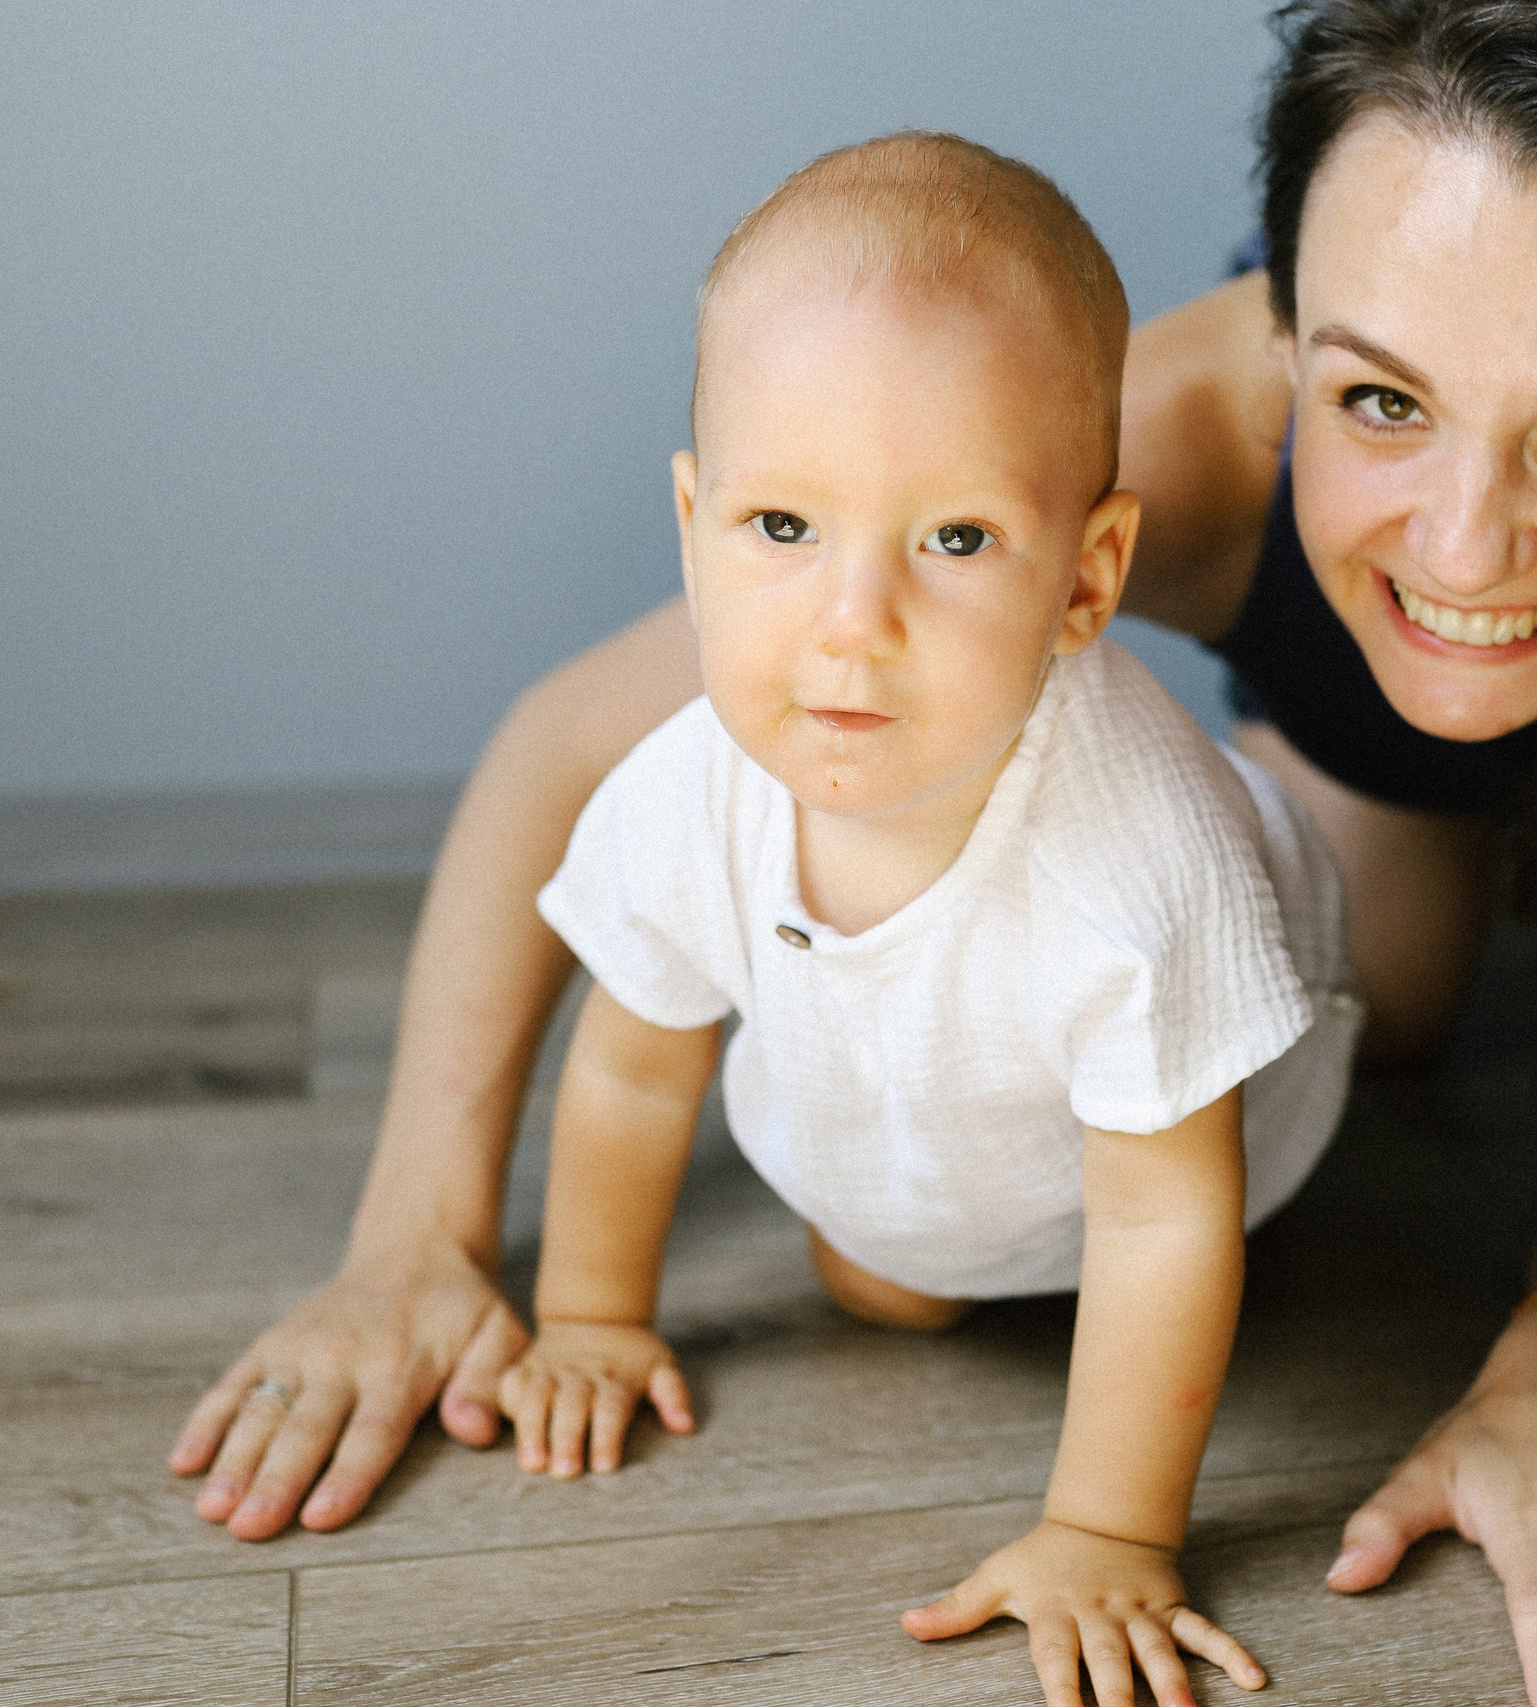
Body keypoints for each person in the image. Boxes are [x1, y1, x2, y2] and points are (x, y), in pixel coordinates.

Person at [170, 7, 1537, 1707]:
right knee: (1383, 1003)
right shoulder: (1167, 441)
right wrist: (415, 1237)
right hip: (1362, 689)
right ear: (1294, 330)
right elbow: (563, 755)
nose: (1466, 543)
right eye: (1382, 400)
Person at [488, 131, 1357, 1706]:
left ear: (1090, 577)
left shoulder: (1142, 876)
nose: (851, 625)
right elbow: (633, 1066)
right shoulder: (693, 787)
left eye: (956, 541)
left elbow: (1167, 1220)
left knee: (1196, 1241)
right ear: (693, 526)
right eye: (780, 530)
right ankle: (919, 1226)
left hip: (1202, 1115)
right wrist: (592, 1317)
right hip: (927, 1087)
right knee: (887, 1283)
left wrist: (1109, 1529)